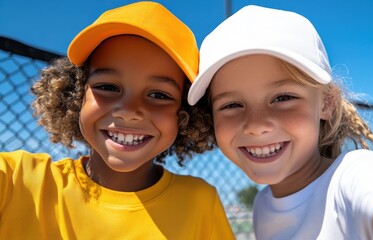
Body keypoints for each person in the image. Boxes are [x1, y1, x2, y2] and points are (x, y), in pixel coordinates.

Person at [188, 5, 373, 240]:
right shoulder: (263, 206)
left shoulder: (353, 176)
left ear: (326, 102)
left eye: (283, 98)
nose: (256, 125)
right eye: (231, 105)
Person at [0, 2, 234, 239]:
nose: (128, 111)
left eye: (158, 95)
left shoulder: (200, 201)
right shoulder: (16, 180)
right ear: (77, 95)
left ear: (186, 113)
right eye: (108, 87)